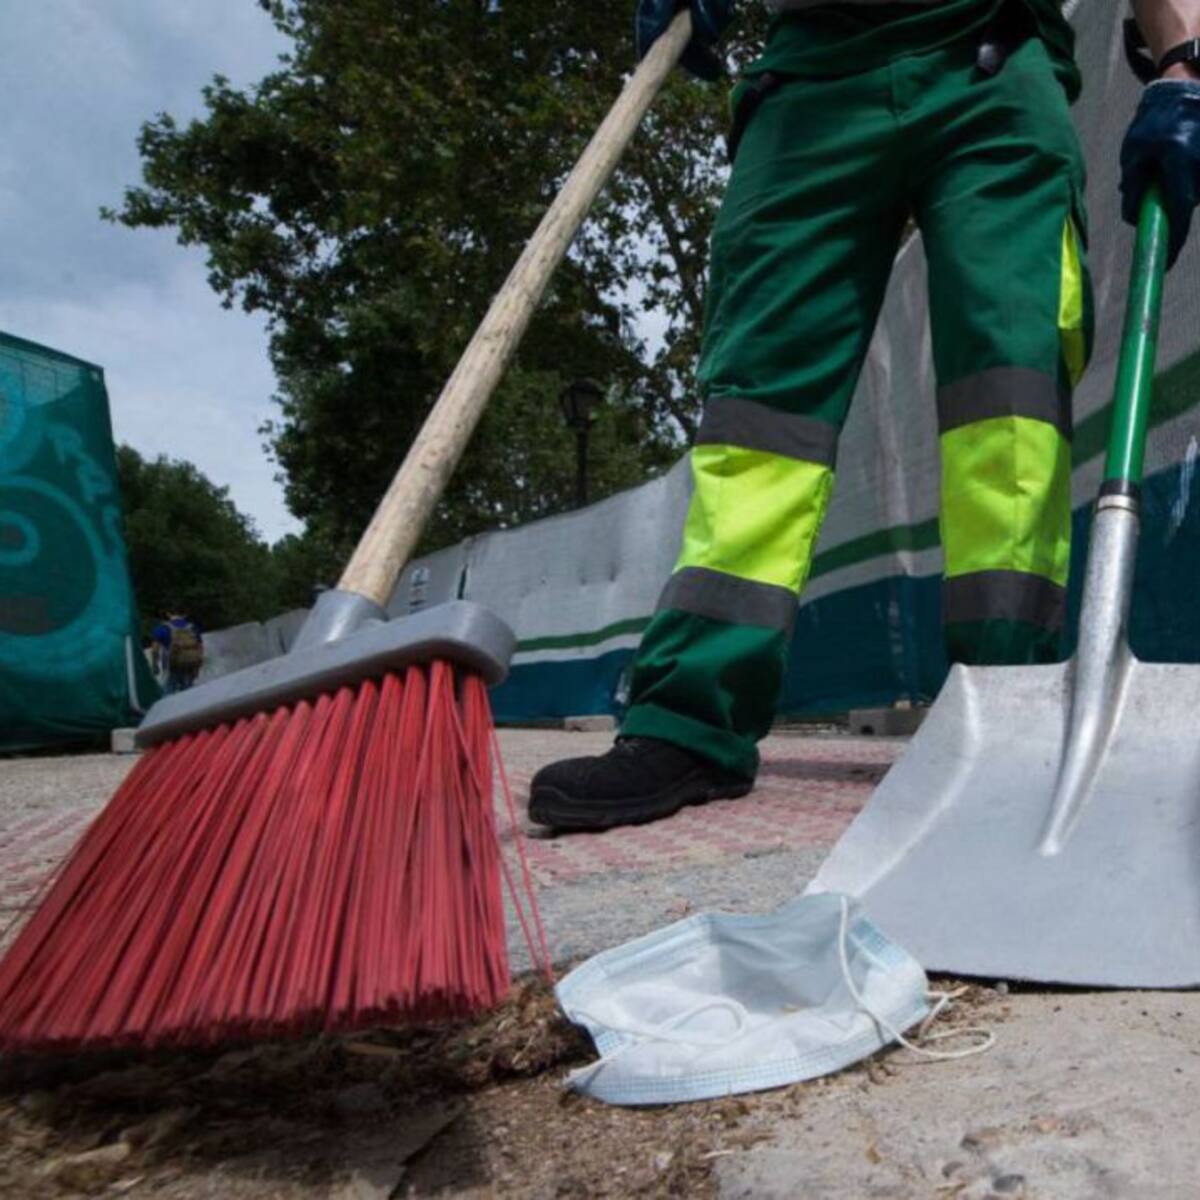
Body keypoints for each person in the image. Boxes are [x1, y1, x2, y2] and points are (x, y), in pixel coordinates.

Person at [529, 0, 1200, 831]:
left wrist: (1185, 54)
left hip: (990, 56)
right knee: (761, 418)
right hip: (810, 76)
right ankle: (691, 721)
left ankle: (1002, 704)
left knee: (1007, 400)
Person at [152, 613, 204, 694]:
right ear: (184, 615)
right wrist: (198, 666)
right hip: (190, 664)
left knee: (169, 690)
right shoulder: (192, 627)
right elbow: (200, 648)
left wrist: (154, 665)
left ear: (168, 614)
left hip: (172, 665)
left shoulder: (162, 628)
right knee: (188, 691)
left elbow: (155, 650)